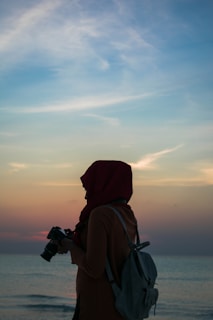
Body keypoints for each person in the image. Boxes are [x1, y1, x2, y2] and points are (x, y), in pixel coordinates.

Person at [56, 160, 138, 320]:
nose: (86, 195)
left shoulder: (100, 215)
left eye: (89, 188)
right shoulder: (127, 215)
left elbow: (95, 268)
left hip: (98, 306)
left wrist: (71, 246)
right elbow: (112, 252)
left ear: (103, 185)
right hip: (119, 306)